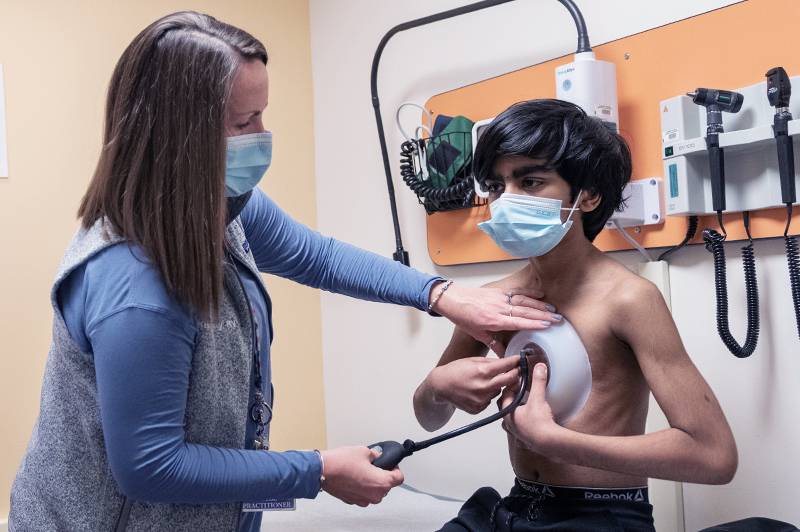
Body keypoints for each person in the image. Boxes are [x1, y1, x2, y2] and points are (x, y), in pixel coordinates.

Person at [8, 12, 560, 532]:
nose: (262, 136)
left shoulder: (217, 205)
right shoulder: (135, 285)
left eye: (262, 115)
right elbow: (152, 467)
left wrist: (439, 293)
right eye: (244, 122)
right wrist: (316, 471)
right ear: (179, 137)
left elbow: (316, 257)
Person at [413, 99, 738, 532]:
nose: (505, 201)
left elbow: (714, 456)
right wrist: (436, 387)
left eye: (530, 182)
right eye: (495, 186)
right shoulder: (491, 301)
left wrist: (556, 443)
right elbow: (429, 418)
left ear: (587, 195)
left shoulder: (629, 300)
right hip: (514, 506)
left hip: (601, 515)